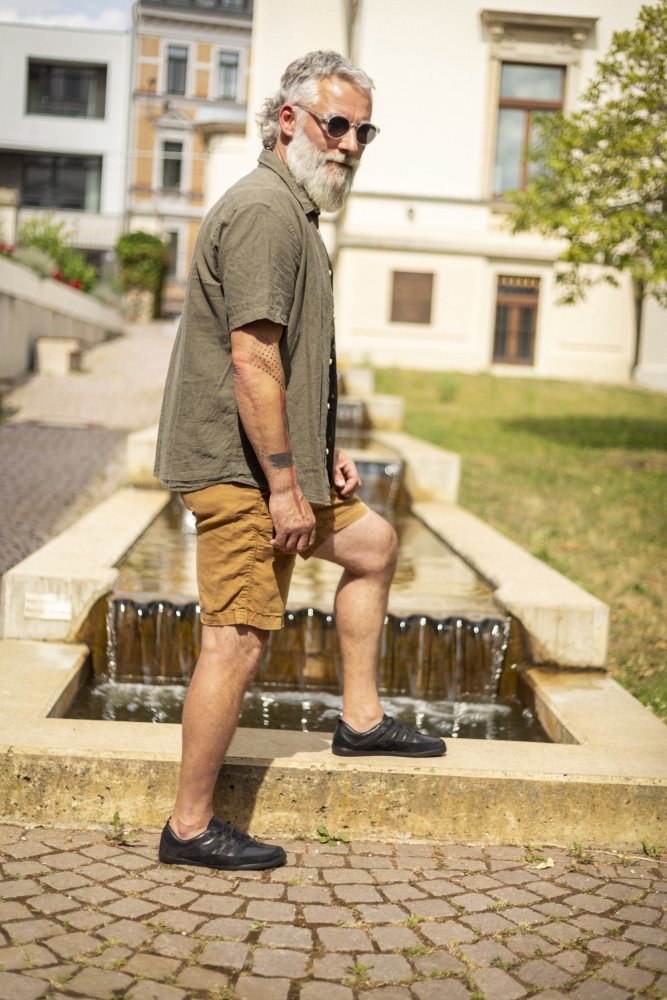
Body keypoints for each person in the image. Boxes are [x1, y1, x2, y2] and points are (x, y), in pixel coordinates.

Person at [154, 50, 445, 873]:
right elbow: (251, 361)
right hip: (238, 472)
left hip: (278, 464)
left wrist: (323, 454)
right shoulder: (263, 212)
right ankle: (188, 828)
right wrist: (284, 485)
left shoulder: (297, 215)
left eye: (363, 130)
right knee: (238, 640)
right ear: (289, 121)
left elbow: (291, 359)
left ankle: (358, 721)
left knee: (373, 545)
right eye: (337, 125)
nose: (351, 144)